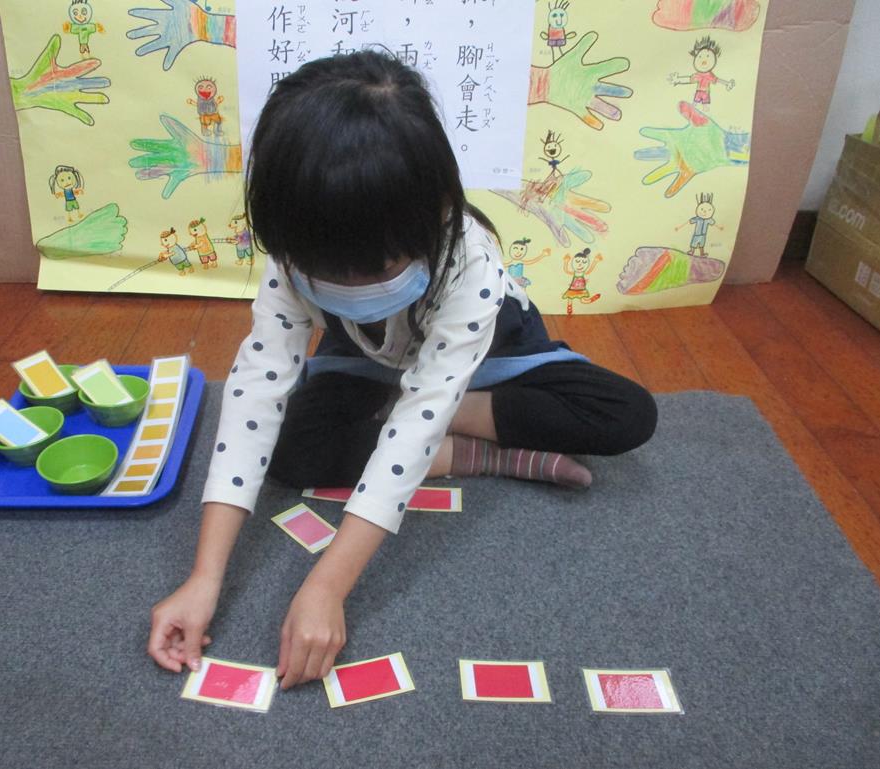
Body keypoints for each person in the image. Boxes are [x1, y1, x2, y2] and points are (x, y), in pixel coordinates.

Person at [148, 51, 657, 691]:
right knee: (289, 449)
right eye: (326, 275)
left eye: (375, 270)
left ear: (436, 213)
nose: (348, 286)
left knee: (626, 414)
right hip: (372, 366)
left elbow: (420, 420)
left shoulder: (470, 261)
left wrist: (327, 585)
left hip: (484, 365)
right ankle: (485, 454)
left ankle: (444, 428)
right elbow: (257, 390)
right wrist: (204, 578)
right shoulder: (292, 249)